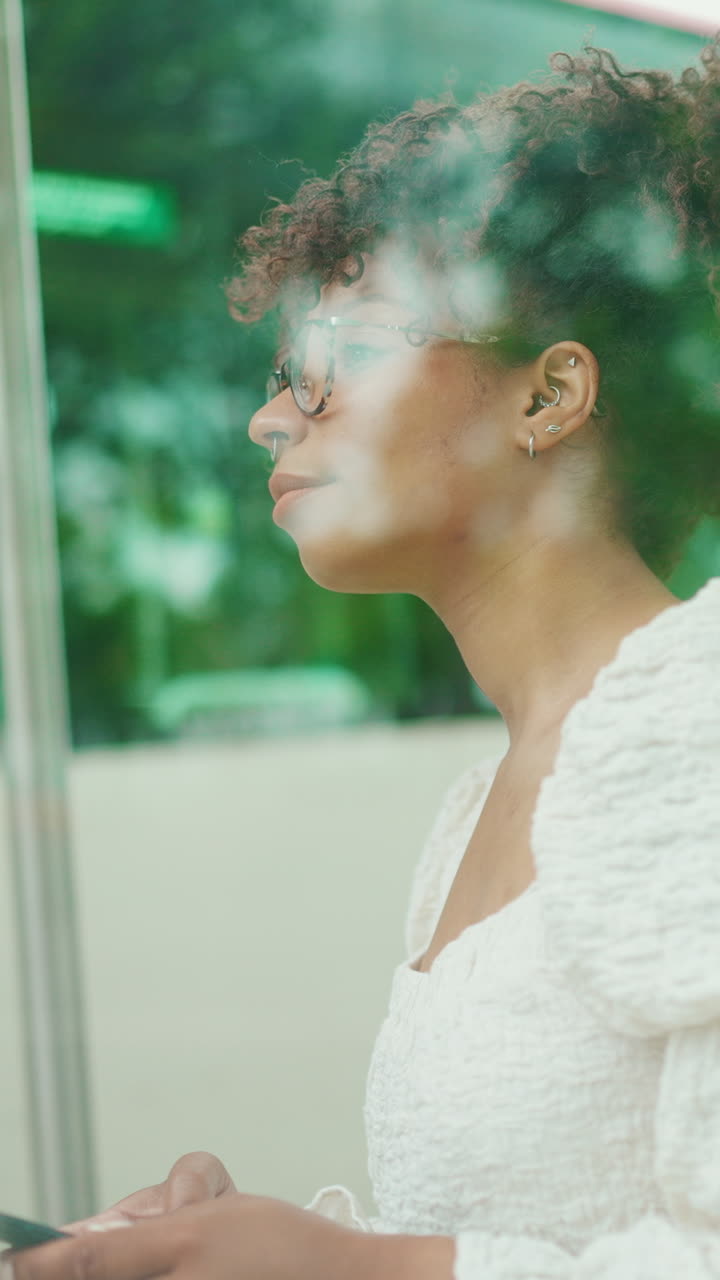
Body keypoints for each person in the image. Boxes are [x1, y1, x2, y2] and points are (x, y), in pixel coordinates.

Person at [7, 35, 720, 1280]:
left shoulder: (700, 731)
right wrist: (276, 1248)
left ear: (548, 396)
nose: (269, 414)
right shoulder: (475, 810)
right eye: (289, 369)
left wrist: (359, 1271)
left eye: (345, 352)